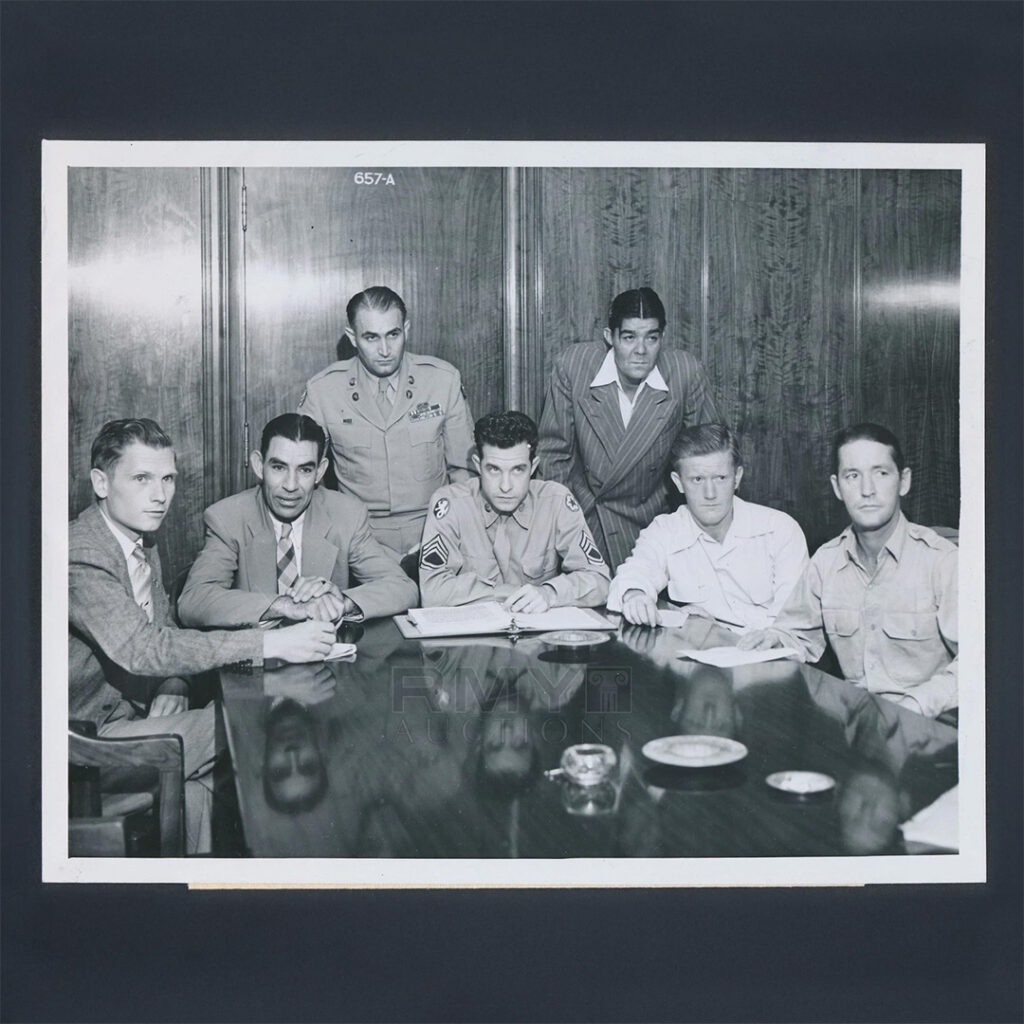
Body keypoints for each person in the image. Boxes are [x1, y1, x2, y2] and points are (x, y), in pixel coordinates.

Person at [69, 419, 336, 854]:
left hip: (128, 721)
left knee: (213, 772)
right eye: (141, 478)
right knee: (254, 724)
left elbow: (166, 627)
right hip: (84, 744)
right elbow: (142, 648)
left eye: (168, 478)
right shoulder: (82, 554)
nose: (160, 495)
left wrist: (175, 682)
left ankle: (199, 880)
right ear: (101, 482)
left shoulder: (138, 540)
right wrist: (271, 643)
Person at [740, 423, 958, 718]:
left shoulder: (943, 562)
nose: (867, 490)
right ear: (837, 487)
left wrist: (916, 706)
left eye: (881, 473)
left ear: (903, 481)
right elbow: (797, 634)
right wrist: (775, 638)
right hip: (855, 724)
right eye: (853, 476)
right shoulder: (826, 562)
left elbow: (979, 663)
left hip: (928, 727)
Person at [537, 286, 720, 571]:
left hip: (654, 526)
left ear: (662, 338)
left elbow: (709, 459)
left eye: (652, 337)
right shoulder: (574, 366)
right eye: (629, 337)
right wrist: (568, 533)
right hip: (586, 522)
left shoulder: (685, 372)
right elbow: (553, 456)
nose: (641, 351)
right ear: (609, 337)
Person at [178, 413, 417, 628]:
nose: (290, 486)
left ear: (320, 472)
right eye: (279, 467)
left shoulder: (347, 515)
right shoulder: (227, 518)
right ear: (259, 466)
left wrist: (340, 602)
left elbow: (403, 588)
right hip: (259, 660)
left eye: (304, 470)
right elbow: (193, 601)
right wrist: (283, 605)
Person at [297, 286, 475, 558]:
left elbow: (463, 473)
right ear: (352, 338)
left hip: (434, 527)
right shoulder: (324, 391)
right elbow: (305, 477)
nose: (385, 350)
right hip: (358, 535)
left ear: (407, 329)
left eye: (393, 334)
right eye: (371, 337)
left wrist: (446, 532)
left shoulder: (442, 381)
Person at [606, 424, 808, 632]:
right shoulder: (665, 530)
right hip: (702, 657)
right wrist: (635, 595)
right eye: (697, 479)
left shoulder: (780, 530)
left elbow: (793, 623)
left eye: (720, 478)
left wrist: (719, 628)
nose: (710, 493)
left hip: (774, 658)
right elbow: (636, 571)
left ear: (737, 477)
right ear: (679, 483)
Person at [418, 411, 610, 610]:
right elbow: (432, 593)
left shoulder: (556, 502)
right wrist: (510, 592)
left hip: (538, 637)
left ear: (533, 467)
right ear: (478, 466)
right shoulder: (452, 505)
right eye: (494, 469)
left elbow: (600, 581)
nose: (506, 486)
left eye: (518, 470)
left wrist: (549, 593)